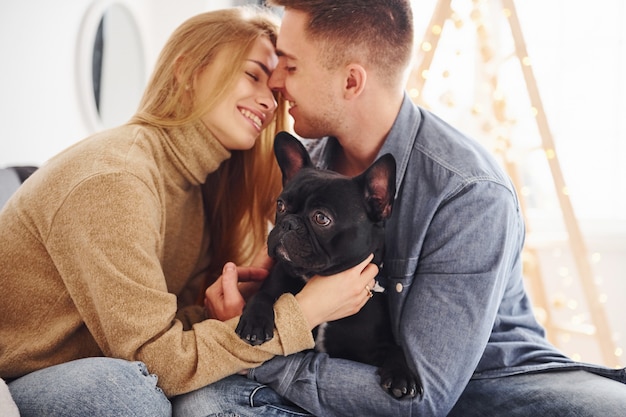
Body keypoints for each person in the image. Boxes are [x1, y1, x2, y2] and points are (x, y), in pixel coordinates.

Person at [182, 1, 626, 416]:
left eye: (290, 66)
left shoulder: (468, 193)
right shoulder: (310, 160)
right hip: (340, 363)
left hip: (491, 381)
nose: (276, 83)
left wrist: (253, 358)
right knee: (201, 403)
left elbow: (421, 398)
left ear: (351, 81)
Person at [0, 6, 378, 417]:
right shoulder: (113, 179)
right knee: (125, 392)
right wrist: (303, 314)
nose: (269, 101)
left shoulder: (197, 190)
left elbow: (158, 330)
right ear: (187, 71)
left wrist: (224, 310)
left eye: (275, 91)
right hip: (27, 375)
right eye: (253, 74)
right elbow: (155, 362)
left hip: (96, 363)